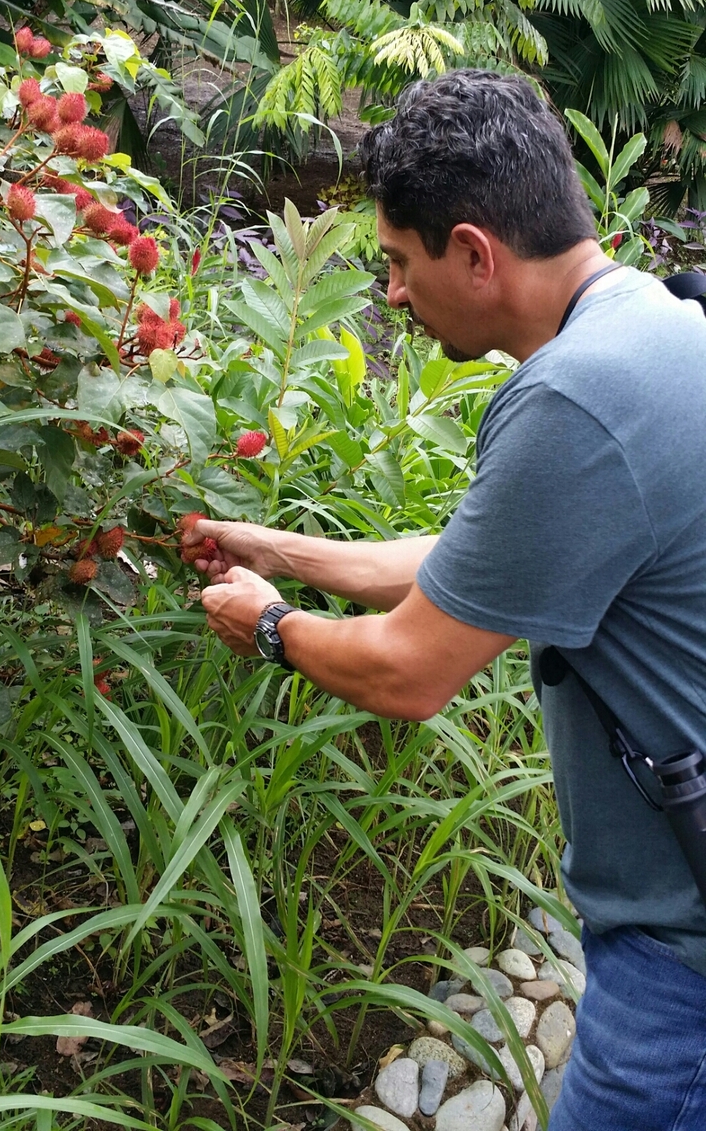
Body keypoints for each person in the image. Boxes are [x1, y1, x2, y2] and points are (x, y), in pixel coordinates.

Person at [186, 70, 706, 1129]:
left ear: (473, 250)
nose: (386, 294)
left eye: (395, 261)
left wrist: (268, 626)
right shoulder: (648, 323)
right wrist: (280, 547)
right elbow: (494, 555)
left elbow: (407, 669)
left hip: (679, 958)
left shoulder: (572, 397)